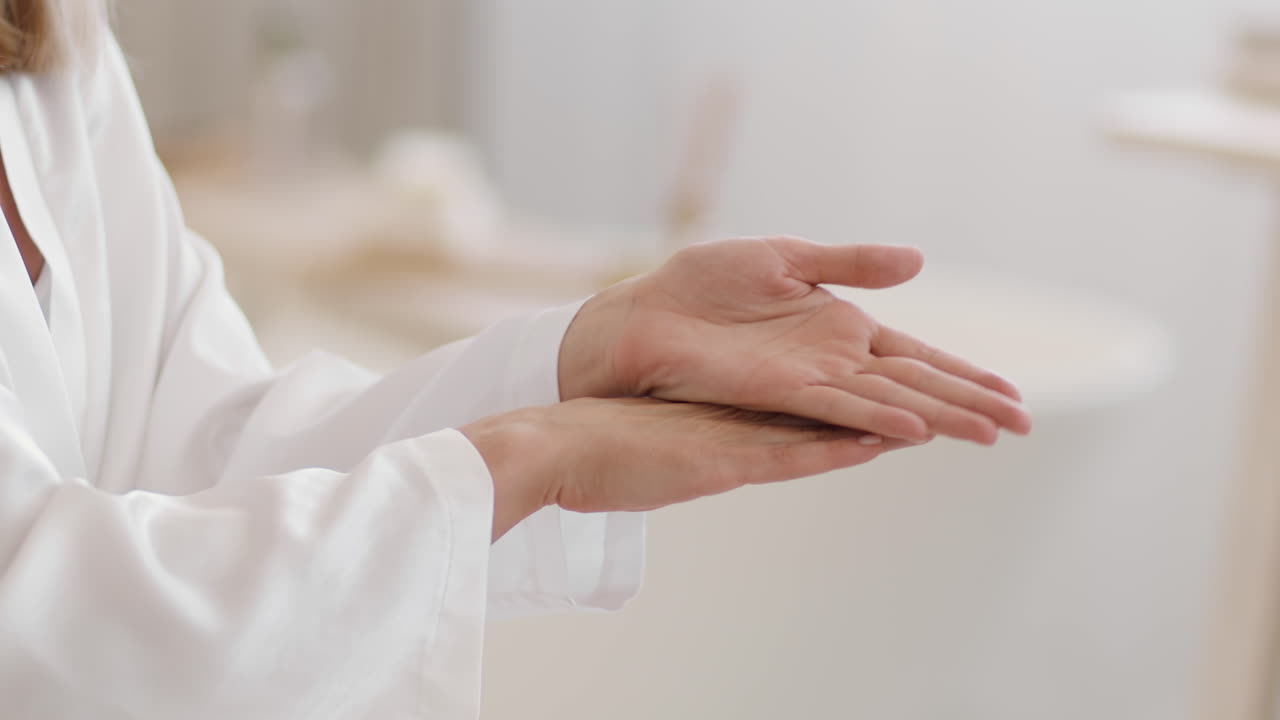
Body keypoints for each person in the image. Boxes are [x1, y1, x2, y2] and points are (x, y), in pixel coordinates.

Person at [0, 2, 1032, 718]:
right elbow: (32, 625)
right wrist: (529, 455)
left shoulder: (53, 47)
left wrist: (584, 353)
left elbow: (196, 455)